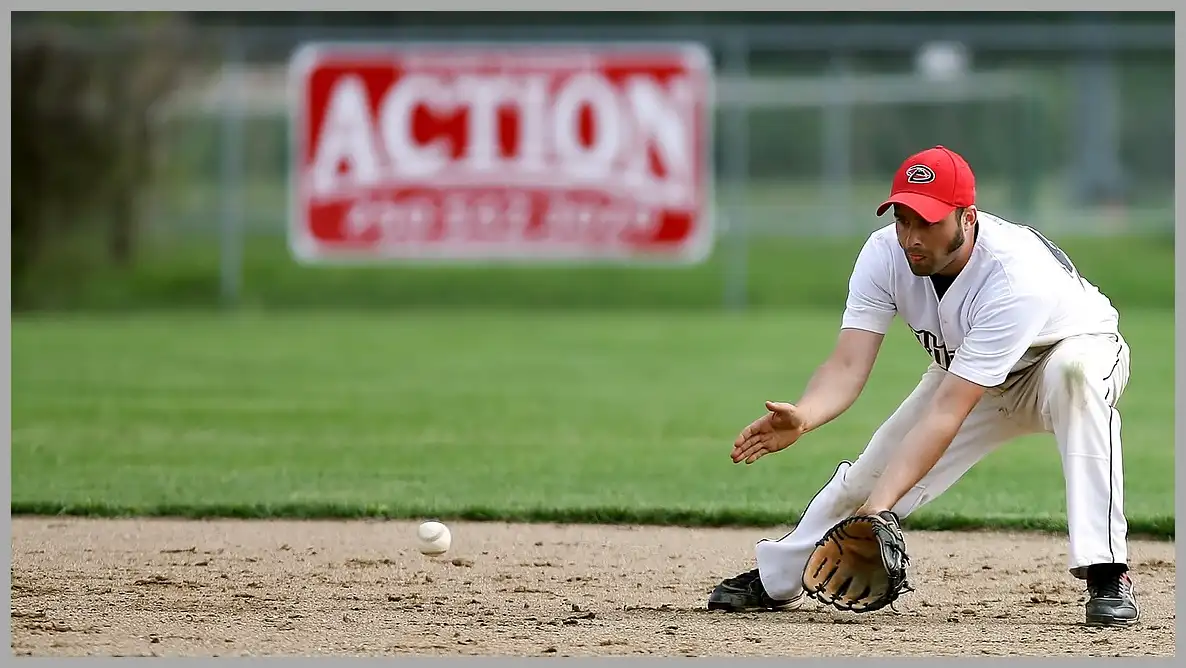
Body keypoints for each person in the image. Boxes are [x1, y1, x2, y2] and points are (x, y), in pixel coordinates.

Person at [706, 145, 1140, 628]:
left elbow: (947, 412)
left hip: (1064, 352)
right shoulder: (884, 254)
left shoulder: (1016, 276)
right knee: (871, 475)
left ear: (968, 217)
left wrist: (878, 513)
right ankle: (781, 575)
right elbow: (849, 363)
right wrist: (806, 414)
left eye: (928, 222)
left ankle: (1107, 570)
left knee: (1074, 378)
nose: (911, 236)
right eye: (903, 218)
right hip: (967, 373)